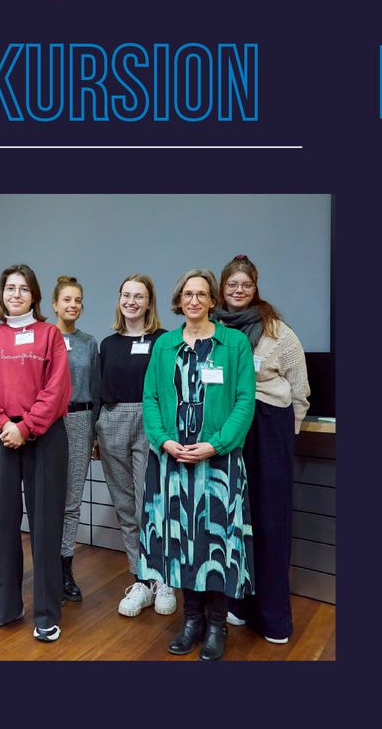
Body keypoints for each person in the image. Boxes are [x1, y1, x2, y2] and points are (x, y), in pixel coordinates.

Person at [139, 269, 255, 661]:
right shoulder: (165, 345)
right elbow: (151, 398)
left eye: (202, 294)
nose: (194, 300)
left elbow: (244, 401)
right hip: (172, 462)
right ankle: (191, 621)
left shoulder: (233, 343)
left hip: (219, 464)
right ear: (179, 300)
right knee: (181, 542)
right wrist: (164, 440)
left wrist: (214, 445)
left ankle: (217, 625)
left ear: (212, 301)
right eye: (188, 294)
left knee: (216, 543)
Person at [0, 264, 71, 643]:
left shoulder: (50, 334)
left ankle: (47, 612)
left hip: (43, 437)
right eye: (10, 288)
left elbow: (57, 389)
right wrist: (3, 423)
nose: (16, 294)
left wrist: (25, 427)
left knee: (45, 525)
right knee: (1, 523)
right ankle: (3, 606)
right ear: (1, 294)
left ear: (34, 296)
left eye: (24, 289)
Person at [215, 254, 310, 645]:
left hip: (269, 430)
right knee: (234, 519)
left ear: (255, 288)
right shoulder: (213, 327)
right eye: (232, 284)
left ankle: (273, 618)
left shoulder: (277, 332)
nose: (239, 290)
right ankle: (238, 604)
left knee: (270, 520)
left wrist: (284, 437)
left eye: (246, 285)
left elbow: (300, 391)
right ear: (222, 288)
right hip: (228, 430)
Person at [96, 274, 176, 617]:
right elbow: (98, 388)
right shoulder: (108, 344)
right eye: (126, 295)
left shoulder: (164, 340)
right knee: (125, 507)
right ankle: (141, 578)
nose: (131, 301)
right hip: (112, 420)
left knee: (151, 504)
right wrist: (96, 432)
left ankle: (163, 579)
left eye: (138, 296)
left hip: (149, 420)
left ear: (149, 302)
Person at [51, 276, 99, 603]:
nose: (73, 305)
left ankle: (65, 567)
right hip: (49, 422)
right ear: (55, 304)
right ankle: (47, 566)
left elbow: (95, 388)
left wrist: (95, 432)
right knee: (48, 499)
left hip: (81, 420)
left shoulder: (88, 343)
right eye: (67, 299)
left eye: (77, 300)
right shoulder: (43, 337)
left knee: (72, 501)